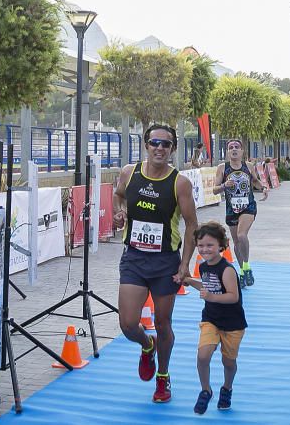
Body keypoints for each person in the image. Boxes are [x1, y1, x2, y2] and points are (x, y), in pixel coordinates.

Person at [112, 123, 198, 403]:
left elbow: (191, 225)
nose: (159, 148)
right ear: (146, 145)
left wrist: (185, 264)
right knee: (127, 324)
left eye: (166, 144)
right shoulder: (129, 172)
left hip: (165, 262)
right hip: (135, 258)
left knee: (163, 323)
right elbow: (118, 195)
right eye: (155, 143)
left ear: (172, 149)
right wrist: (120, 213)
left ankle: (163, 377)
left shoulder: (179, 183)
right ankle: (146, 346)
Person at [183, 222, 246, 414]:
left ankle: (227, 388)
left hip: (232, 324)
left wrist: (211, 297)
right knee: (203, 356)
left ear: (221, 245)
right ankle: (205, 390)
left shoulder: (227, 270)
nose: (204, 249)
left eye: (209, 245)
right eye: (200, 245)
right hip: (211, 319)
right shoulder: (203, 267)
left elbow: (233, 296)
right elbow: (207, 286)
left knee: (228, 362)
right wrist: (188, 281)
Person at [213, 139, 267, 288]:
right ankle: (242, 271)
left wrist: (263, 188)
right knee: (237, 242)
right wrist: (224, 185)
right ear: (227, 151)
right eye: (231, 147)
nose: (234, 149)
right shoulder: (222, 168)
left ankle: (247, 267)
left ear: (242, 151)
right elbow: (214, 189)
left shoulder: (248, 166)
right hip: (232, 209)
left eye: (237, 147)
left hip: (248, 206)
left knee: (242, 235)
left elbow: (255, 181)